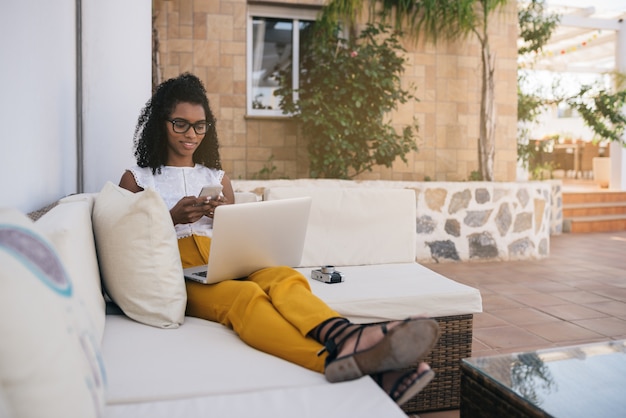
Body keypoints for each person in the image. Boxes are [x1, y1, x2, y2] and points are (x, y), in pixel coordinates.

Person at [119, 72, 439, 405]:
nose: (191, 134)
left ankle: (344, 335)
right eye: (180, 124)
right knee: (244, 297)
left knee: (284, 277)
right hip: (179, 269)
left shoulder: (215, 177)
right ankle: (332, 361)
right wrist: (171, 218)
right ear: (161, 123)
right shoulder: (137, 179)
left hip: (225, 255)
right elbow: (128, 242)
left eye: (200, 126)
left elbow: (237, 228)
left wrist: (224, 216)